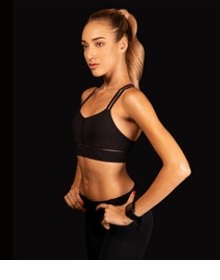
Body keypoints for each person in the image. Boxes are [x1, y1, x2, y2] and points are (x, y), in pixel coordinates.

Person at [63, 8, 190, 259]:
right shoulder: (88, 95)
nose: (90, 54)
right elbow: (85, 145)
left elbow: (179, 167)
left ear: (122, 44)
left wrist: (130, 212)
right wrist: (77, 182)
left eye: (99, 44)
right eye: (85, 46)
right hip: (92, 214)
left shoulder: (131, 99)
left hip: (123, 214)